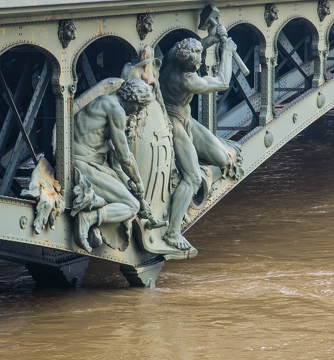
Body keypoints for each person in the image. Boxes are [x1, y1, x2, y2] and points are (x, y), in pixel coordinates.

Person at [159, 24, 238, 250]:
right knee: (192, 178)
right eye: (196, 65)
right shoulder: (187, 81)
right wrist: (228, 52)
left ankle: (190, 160)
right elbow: (222, 82)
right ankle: (173, 233)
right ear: (187, 68)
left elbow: (195, 47)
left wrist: (211, 40)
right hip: (172, 122)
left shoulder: (175, 51)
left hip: (186, 119)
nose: (200, 64)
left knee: (224, 160)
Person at [72, 78, 154, 252]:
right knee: (132, 206)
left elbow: (117, 166)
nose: (137, 112)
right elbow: (125, 156)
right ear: (132, 99)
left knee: (132, 199)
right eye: (139, 107)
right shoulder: (115, 109)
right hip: (83, 165)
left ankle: (96, 212)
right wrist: (138, 181)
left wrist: (137, 192)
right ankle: (88, 218)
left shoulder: (103, 102)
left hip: (84, 161)